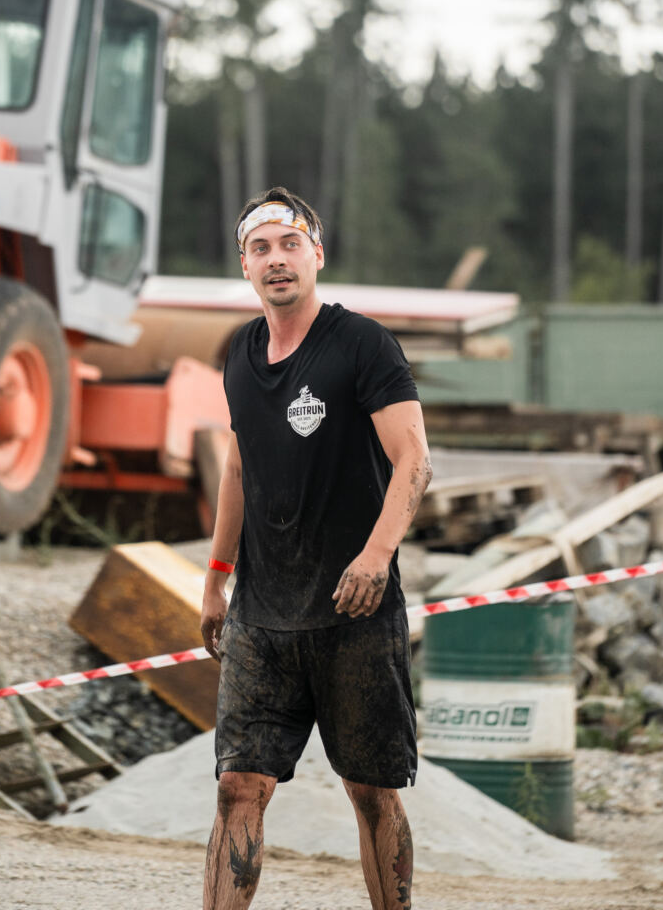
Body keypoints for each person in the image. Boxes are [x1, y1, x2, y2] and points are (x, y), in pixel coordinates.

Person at [201, 187, 432, 910]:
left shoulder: (362, 344)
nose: (276, 259)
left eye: (289, 244)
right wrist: (215, 579)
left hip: (353, 612)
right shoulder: (241, 353)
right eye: (260, 248)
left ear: (317, 254)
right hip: (262, 617)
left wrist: (376, 555)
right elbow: (238, 467)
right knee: (237, 785)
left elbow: (414, 460)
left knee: (370, 791)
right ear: (245, 265)